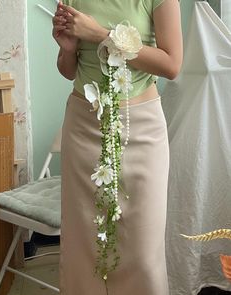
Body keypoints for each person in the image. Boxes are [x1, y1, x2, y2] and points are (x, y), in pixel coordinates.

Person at [52, 0, 183, 294]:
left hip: (141, 129)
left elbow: (172, 65)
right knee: (82, 244)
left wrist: (101, 34)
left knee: (143, 248)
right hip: (83, 126)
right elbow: (68, 70)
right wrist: (67, 49)